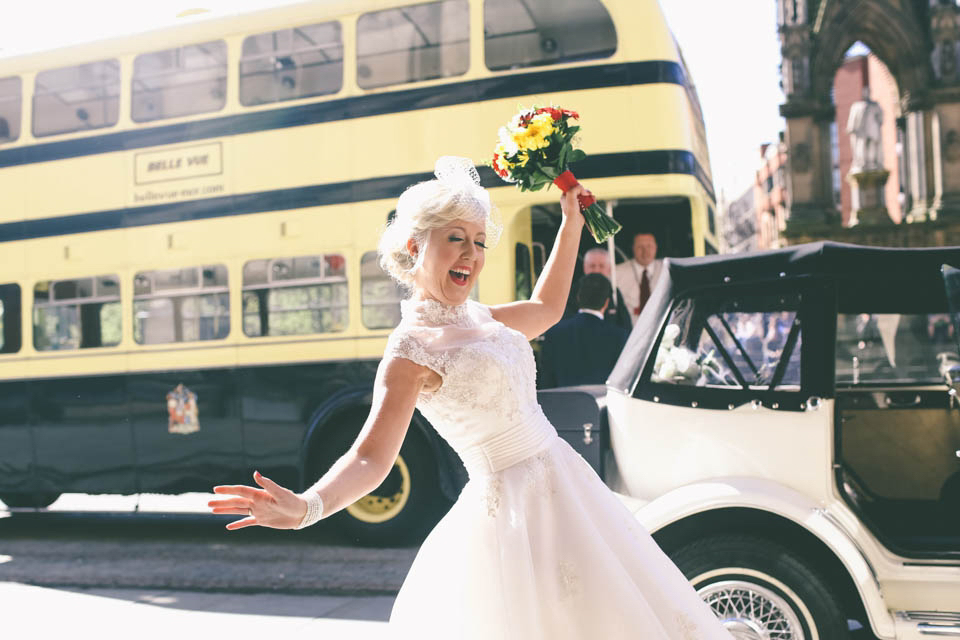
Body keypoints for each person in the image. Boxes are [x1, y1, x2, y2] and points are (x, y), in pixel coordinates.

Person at [208, 157, 734, 640]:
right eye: (455, 238)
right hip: (510, 517)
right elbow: (371, 457)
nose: (471, 254)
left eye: (479, 241)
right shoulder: (409, 352)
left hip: (569, 485)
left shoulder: (479, 317)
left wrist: (571, 223)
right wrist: (307, 507)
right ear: (415, 247)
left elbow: (547, 308)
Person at [539, 273, 629, 388]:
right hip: (601, 404)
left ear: (578, 297)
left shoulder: (554, 332)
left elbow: (547, 381)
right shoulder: (619, 337)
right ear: (607, 303)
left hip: (562, 403)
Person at [615, 231, 663, 325]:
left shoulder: (666, 269)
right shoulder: (618, 273)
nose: (645, 251)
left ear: (656, 247)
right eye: (640, 247)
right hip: (630, 330)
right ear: (633, 248)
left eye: (649, 246)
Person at [581, 247, 633, 329]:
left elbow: (626, 326)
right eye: (592, 266)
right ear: (585, 268)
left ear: (609, 269)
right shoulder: (573, 291)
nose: (596, 271)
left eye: (601, 266)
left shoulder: (615, 293)